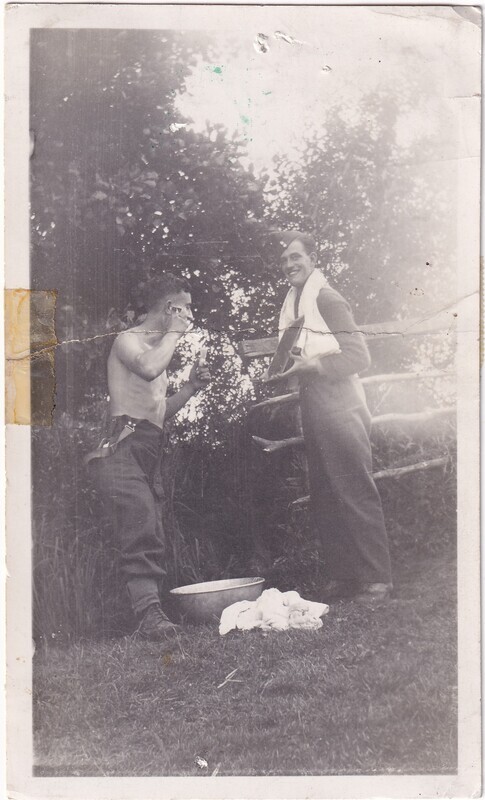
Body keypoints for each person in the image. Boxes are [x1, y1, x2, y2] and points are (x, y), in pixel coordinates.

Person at [270, 230, 392, 604]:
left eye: (296, 257)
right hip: (315, 401)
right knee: (325, 491)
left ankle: (377, 579)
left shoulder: (326, 297)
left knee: (353, 487)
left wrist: (315, 366)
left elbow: (359, 357)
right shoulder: (294, 303)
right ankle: (345, 576)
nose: (290, 264)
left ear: (312, 259)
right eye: (285, 260)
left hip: (340, 399)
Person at [88, 273, 211, 640]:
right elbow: (148, 367)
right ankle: (148, 617)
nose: (190, 314)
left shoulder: (156, 351)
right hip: (121, 445)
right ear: (170, 307)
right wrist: (174, 333)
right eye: (185, 307)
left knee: (150, 526)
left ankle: (147, 613)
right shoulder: (129, 340)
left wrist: (190, 387)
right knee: (140, 520)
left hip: (147, 446)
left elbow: (158, 412)